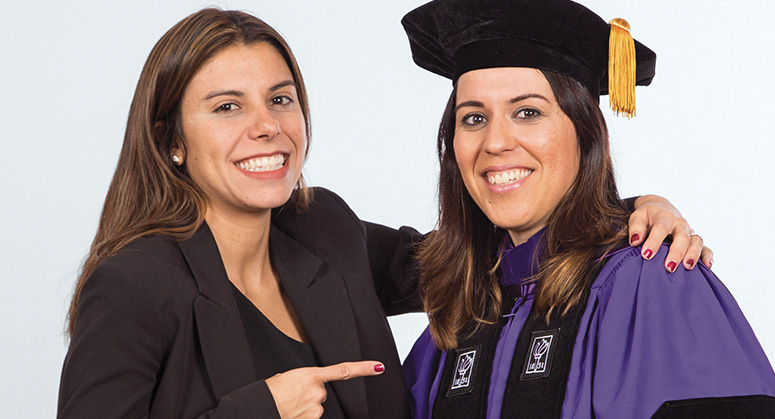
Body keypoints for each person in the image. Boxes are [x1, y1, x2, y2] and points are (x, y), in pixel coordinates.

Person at [58, 7, 710, 419]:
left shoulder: (325, 232)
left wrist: (627, 209)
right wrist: (257, 409)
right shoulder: (134, 285)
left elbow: (483, 254)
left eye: (280, 100)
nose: (266, 127)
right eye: (227, 106)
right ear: (171, 140)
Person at [400, 0, 775, 418]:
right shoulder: (459, 313)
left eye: (528, 113)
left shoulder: (654, 280)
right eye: (472, 118)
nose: (495, 142)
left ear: (585, 133)